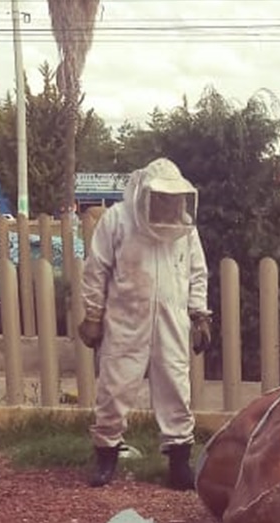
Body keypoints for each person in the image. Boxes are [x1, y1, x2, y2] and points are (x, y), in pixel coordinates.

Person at [77, 158, 213, 490]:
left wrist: (200, 315)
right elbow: (97, 270)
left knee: (176, 390)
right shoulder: (118, 219)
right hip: (125, 321)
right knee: (114, 389)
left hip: (172, 322)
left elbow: (196, 272)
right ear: (145, 193)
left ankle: (179, 463)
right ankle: (106, 457)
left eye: (173, 197)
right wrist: (93, 316)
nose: (168, 204)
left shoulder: (185, 227)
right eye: (162, 197)